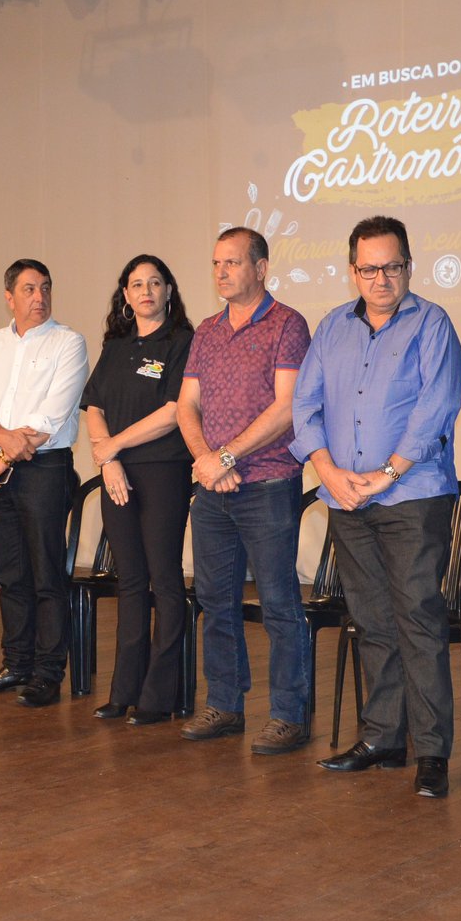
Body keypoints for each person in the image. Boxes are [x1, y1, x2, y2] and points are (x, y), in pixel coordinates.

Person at [292, 217, 461, 797]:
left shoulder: (432, 323)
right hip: (346, 496)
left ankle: (432, 752)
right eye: (369, 269)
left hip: (411, 496)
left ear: (409, 267)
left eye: (392, 267)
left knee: (417, 620)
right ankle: (384, 737)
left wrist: (387, 473)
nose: (381, 279)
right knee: (370, 621)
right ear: (353, 272)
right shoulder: (331, 327)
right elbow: (304, 406)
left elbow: (436, 408)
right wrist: (327, 471)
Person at [176, 227, 312, 755]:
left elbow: (287, 407)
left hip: (269, 484)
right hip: (213, 486)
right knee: (215, 600)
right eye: (216, 263)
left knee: (278, 603)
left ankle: (289, 715)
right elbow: (187, 406)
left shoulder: (287, 324)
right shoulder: (207, 330)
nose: (222, 272)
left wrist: (227, 456)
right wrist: (207, 462)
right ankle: (225, 704)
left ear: (261, 268)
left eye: (232, 262)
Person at [0, 259, 89, 708]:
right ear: (9, 297)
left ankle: (48, 674)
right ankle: (16, 664)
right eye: (29, 289)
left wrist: (1, 457)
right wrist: (1, 442)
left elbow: (50, 416)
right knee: (10, 573)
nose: (39, 297)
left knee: (46, 573)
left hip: (44, 469)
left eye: (45, 288)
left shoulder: (68, 342)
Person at [80, 255, 194, 725]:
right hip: (117, 474)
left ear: (168, 290)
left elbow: (174, 411)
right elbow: (94, 406)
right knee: (129, 581)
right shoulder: (116, 346)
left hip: (163, 471)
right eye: (136, 284)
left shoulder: (182, 342)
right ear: (125, 295)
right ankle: (123, 690)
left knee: (164, 580)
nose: (146, 291)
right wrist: (108, 459)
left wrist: (114, 448)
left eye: (154, 283)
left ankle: (159, 696)